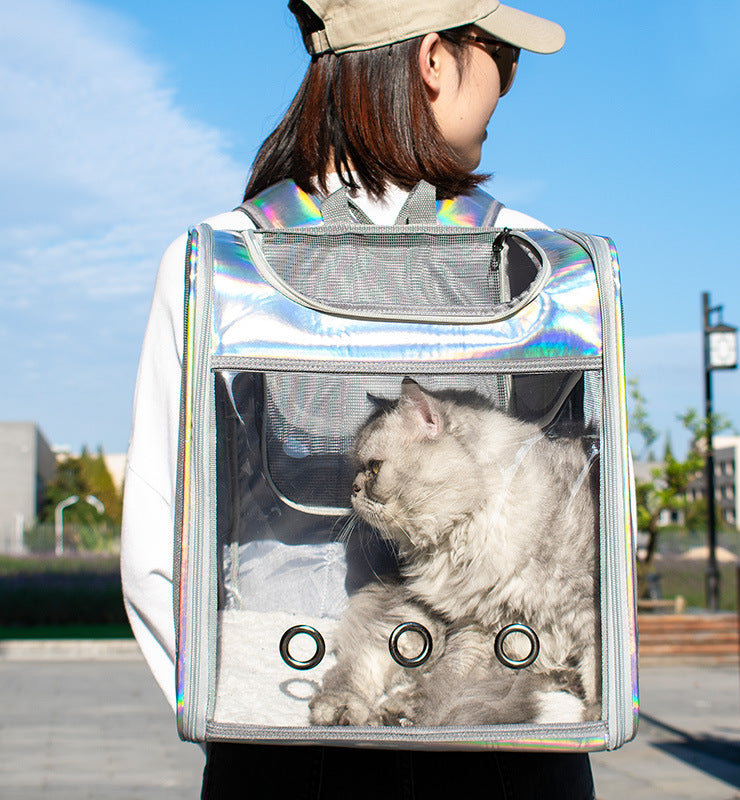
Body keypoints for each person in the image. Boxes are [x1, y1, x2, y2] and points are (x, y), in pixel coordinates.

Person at [121, 1, 596, 797]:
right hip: (505, 732)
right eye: (502, 60)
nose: (507, 86)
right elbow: (584, 508)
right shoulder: (542, 264)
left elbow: (157, 546)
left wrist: (230, 713)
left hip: (282, 718)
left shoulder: (220, 258)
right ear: (434, 61)